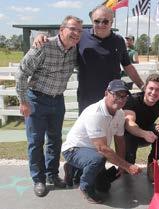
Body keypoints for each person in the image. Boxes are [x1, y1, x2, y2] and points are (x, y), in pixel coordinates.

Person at [15, 15, 83, 197]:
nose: (76, 33)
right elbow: (21, 74)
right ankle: (38, 179)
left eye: (79, 30)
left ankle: (52, 175)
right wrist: (23, 101)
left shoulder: (75, 50)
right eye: (72, 29)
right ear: (62, 30)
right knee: (36, 142)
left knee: (55, 140)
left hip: (57, 100)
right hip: (36, 99)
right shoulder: (43, 46)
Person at [33, 6, 144, 114]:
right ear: (92, 21)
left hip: (113, 97)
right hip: (87, 98)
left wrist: (142, 86)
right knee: (87, 131)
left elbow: (128, 66)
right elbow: (62, 39)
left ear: (112, 21)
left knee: (112, 130)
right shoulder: (81, 36)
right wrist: (42, 35)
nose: (101, 25)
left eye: (105, 21)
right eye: (97, 21)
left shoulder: (119, 41)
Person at [62, 79, 142, 204]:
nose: (121, 99)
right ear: (106, 94)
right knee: (98, 159)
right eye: (117, 94)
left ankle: (73, 169)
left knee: (104, 187)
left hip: (94, 153)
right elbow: (102, 149)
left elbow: (119, 140)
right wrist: (127, 166)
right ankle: (85, 187)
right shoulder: (95, 113)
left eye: (124, 96)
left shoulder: (120, 114)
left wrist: (121, 164)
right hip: (74, 149)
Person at [124, 73, 159, 182]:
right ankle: (128, 165)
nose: (153, 92)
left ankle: (152, 163)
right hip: (130, 135)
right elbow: (129, 123)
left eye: (157, 90)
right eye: (151, 88)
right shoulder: (132, 100)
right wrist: (143, 133)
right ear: (145, 88)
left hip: (148, 135)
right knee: (126, 173)